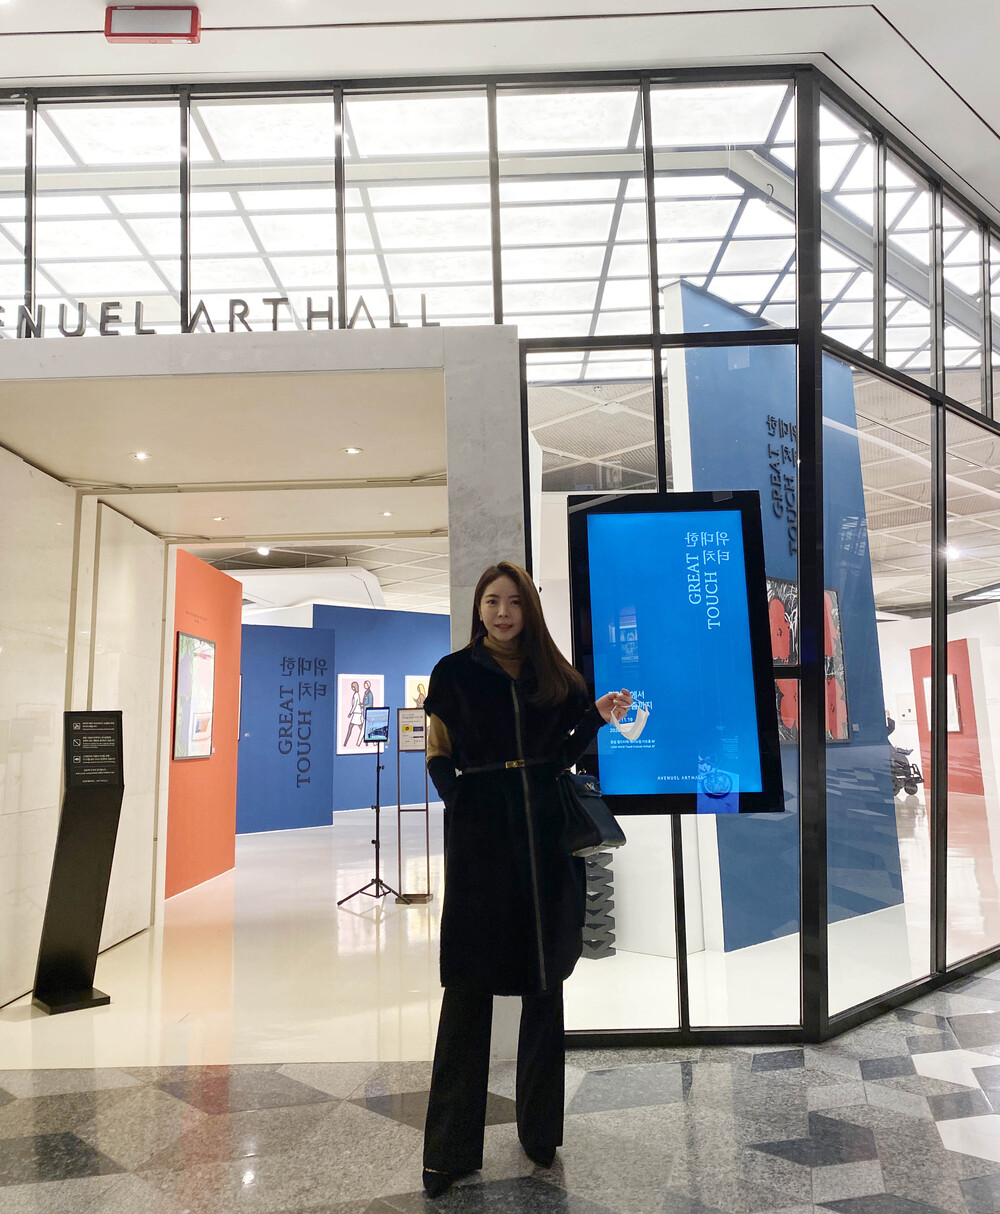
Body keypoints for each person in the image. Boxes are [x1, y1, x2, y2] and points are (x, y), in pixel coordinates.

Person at [420, 560, 632, 1198]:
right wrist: (463, 804)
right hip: (482, 839)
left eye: (513, 601)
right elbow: (438, 752)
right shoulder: (454, 673)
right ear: (478, 608)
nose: (503, 612)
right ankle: (450, 1151)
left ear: (529, 608)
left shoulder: (554, 677)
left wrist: (594, 717)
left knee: (545, 985)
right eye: (492, 601)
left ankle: (541, 1133)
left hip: (545, 838)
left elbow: (558, 756)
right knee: (468, 989)